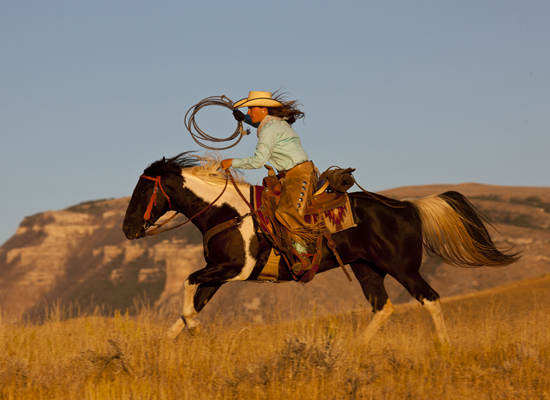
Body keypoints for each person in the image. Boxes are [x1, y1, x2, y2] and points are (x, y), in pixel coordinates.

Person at [221, 91, 322, 274]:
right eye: (248, 109)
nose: (250, 112)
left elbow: (258, 161)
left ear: (263, 108)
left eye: (252, 108)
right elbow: (259, 123)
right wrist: (244, 118)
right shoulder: (274, 123)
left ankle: (304, 257)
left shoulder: (269, 129)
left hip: (299, 175)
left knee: (286, 211)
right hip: (289, 175)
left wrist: (232, 162)